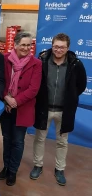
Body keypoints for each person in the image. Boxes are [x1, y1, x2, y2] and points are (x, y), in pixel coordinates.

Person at [30, 33, 87, 186]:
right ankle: (38, 165)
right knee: (39, 138)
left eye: (62, 47)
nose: (58, 50)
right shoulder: (41, 60)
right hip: (44, 108)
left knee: (62, 141)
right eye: (55, 46)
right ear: (52, 45)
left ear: (68, 48)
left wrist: (70, 97)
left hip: (64, 110)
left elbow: (81, 86)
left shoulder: (76, 64)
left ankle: (59, 169)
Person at [0, 32, 42, 186]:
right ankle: (6, 166)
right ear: (15, 45)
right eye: (23, 44)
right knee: (7, 138)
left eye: (29, 45)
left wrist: (15, 101)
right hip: (6, 107)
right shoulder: (4, 59)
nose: (26, 48)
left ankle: (12, 171)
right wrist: (6, 98)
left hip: (23, 108)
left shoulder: (36, 63)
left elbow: (33, 89)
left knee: (17, 141)